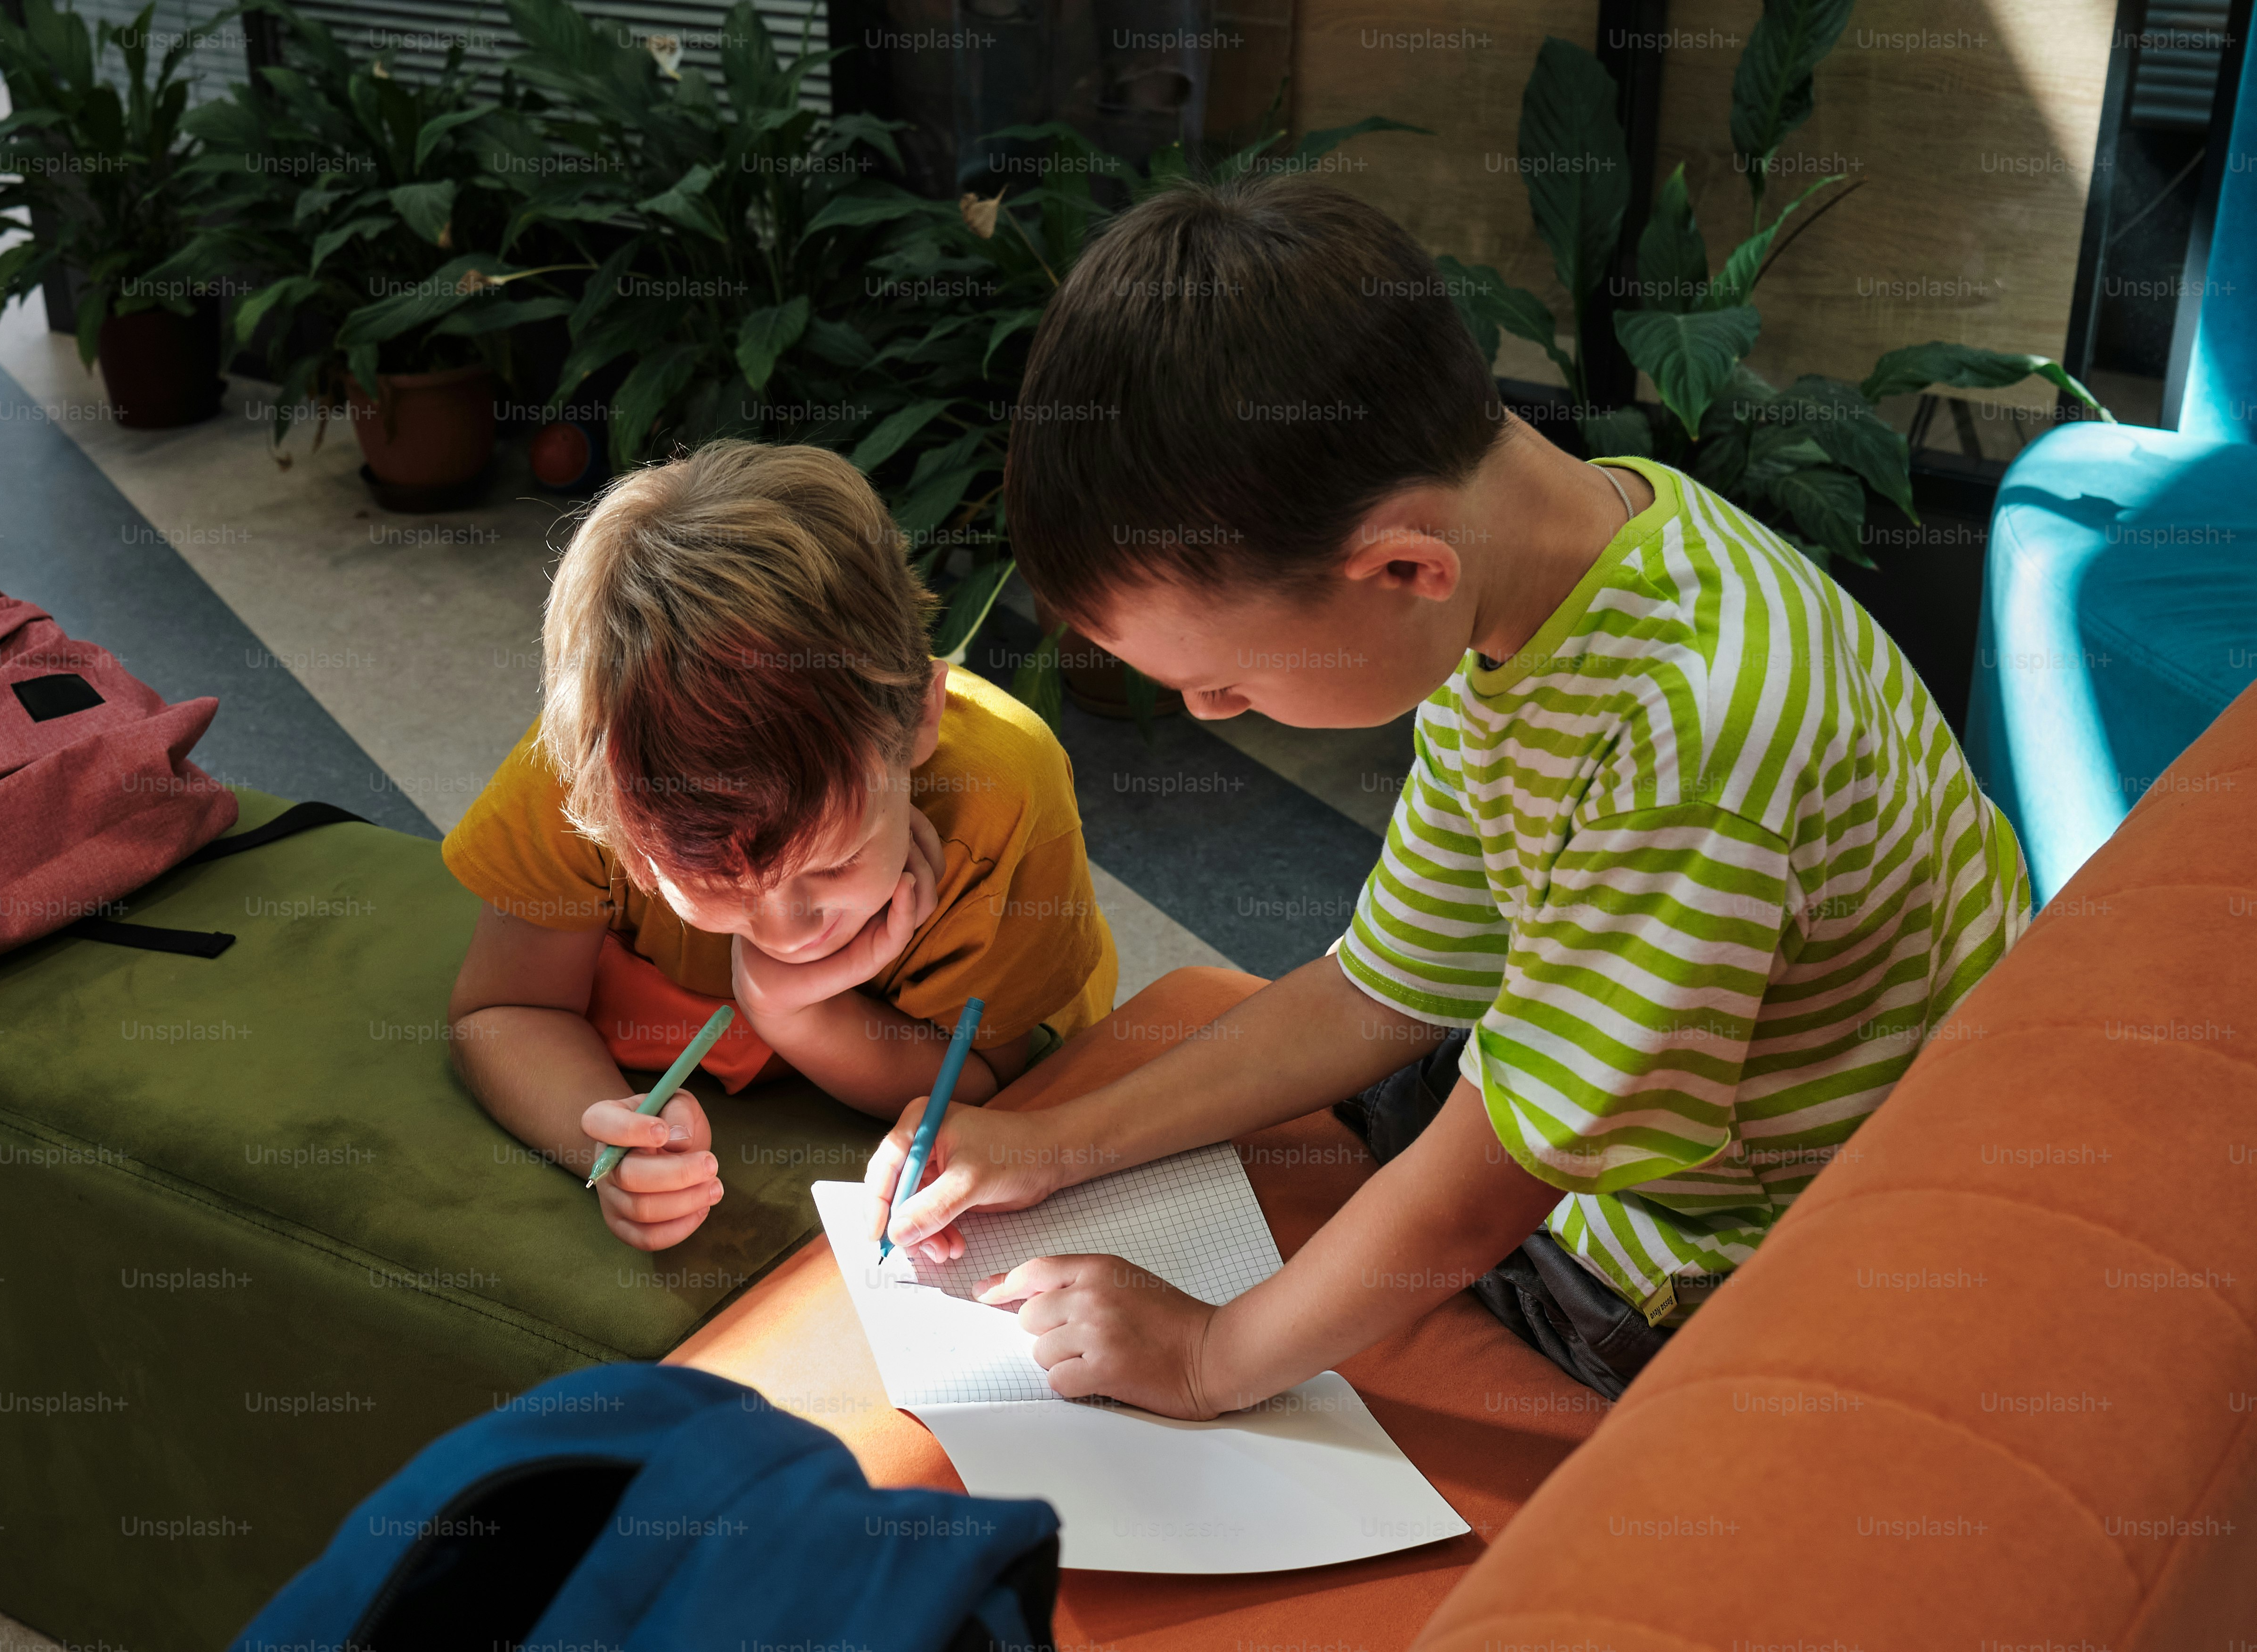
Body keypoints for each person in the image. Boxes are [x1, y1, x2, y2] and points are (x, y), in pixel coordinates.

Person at [871, 176, 2031, 1406]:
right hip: (1651, 1095)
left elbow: (1491, 1182)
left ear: (1402, 566)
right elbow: (1388, 984)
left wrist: (1210, 1356)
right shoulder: (1558, 571)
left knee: (1397, 1191)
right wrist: (1048, 1146)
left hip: (1762, 1245)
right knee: (1362, 1087)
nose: (1211, 719)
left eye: (1226, 684)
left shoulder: (1696, 742)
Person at [446, 441, 1119, 1250]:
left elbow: (986, 1087)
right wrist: (608, 1147)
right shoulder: (596, 773)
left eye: (832, 863)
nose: (788, 931)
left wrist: (794, 1013)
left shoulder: (1005, 794)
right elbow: (504, 1010)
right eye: (711, 882)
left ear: (921, 720)